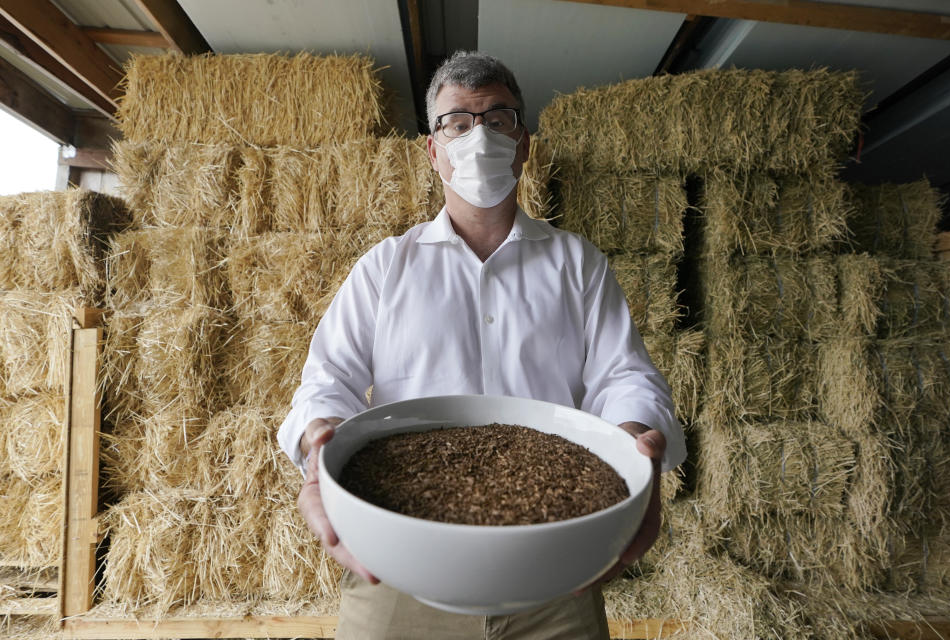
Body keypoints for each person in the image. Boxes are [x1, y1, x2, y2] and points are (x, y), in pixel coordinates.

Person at [278, 50, 686, 640]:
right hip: (402, 560)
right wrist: (321, 442)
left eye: (498, 119)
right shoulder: (387, 267)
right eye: (457, 123)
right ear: (432, 150)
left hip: (554, 563)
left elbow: (625, 375)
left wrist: (634, 444)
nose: (478, 136)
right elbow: (326, 380)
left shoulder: (576, 263)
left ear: (523, 143)